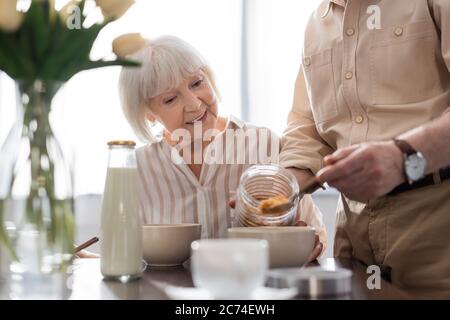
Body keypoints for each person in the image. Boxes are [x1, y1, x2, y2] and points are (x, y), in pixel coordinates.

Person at [279, 0, 450, 294]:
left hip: (437, 229)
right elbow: (307, 129)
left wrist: (401, 160)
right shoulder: (315, 24)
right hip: (352, 240)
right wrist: (281, 195)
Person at [119, 35, 326, 261]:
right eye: (170, 99)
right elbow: (125, 255)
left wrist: (305, 244)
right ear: (149, 114)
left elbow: (315, 234)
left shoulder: (264, 144)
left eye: (197, 83)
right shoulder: (138, 168)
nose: (195, 103)